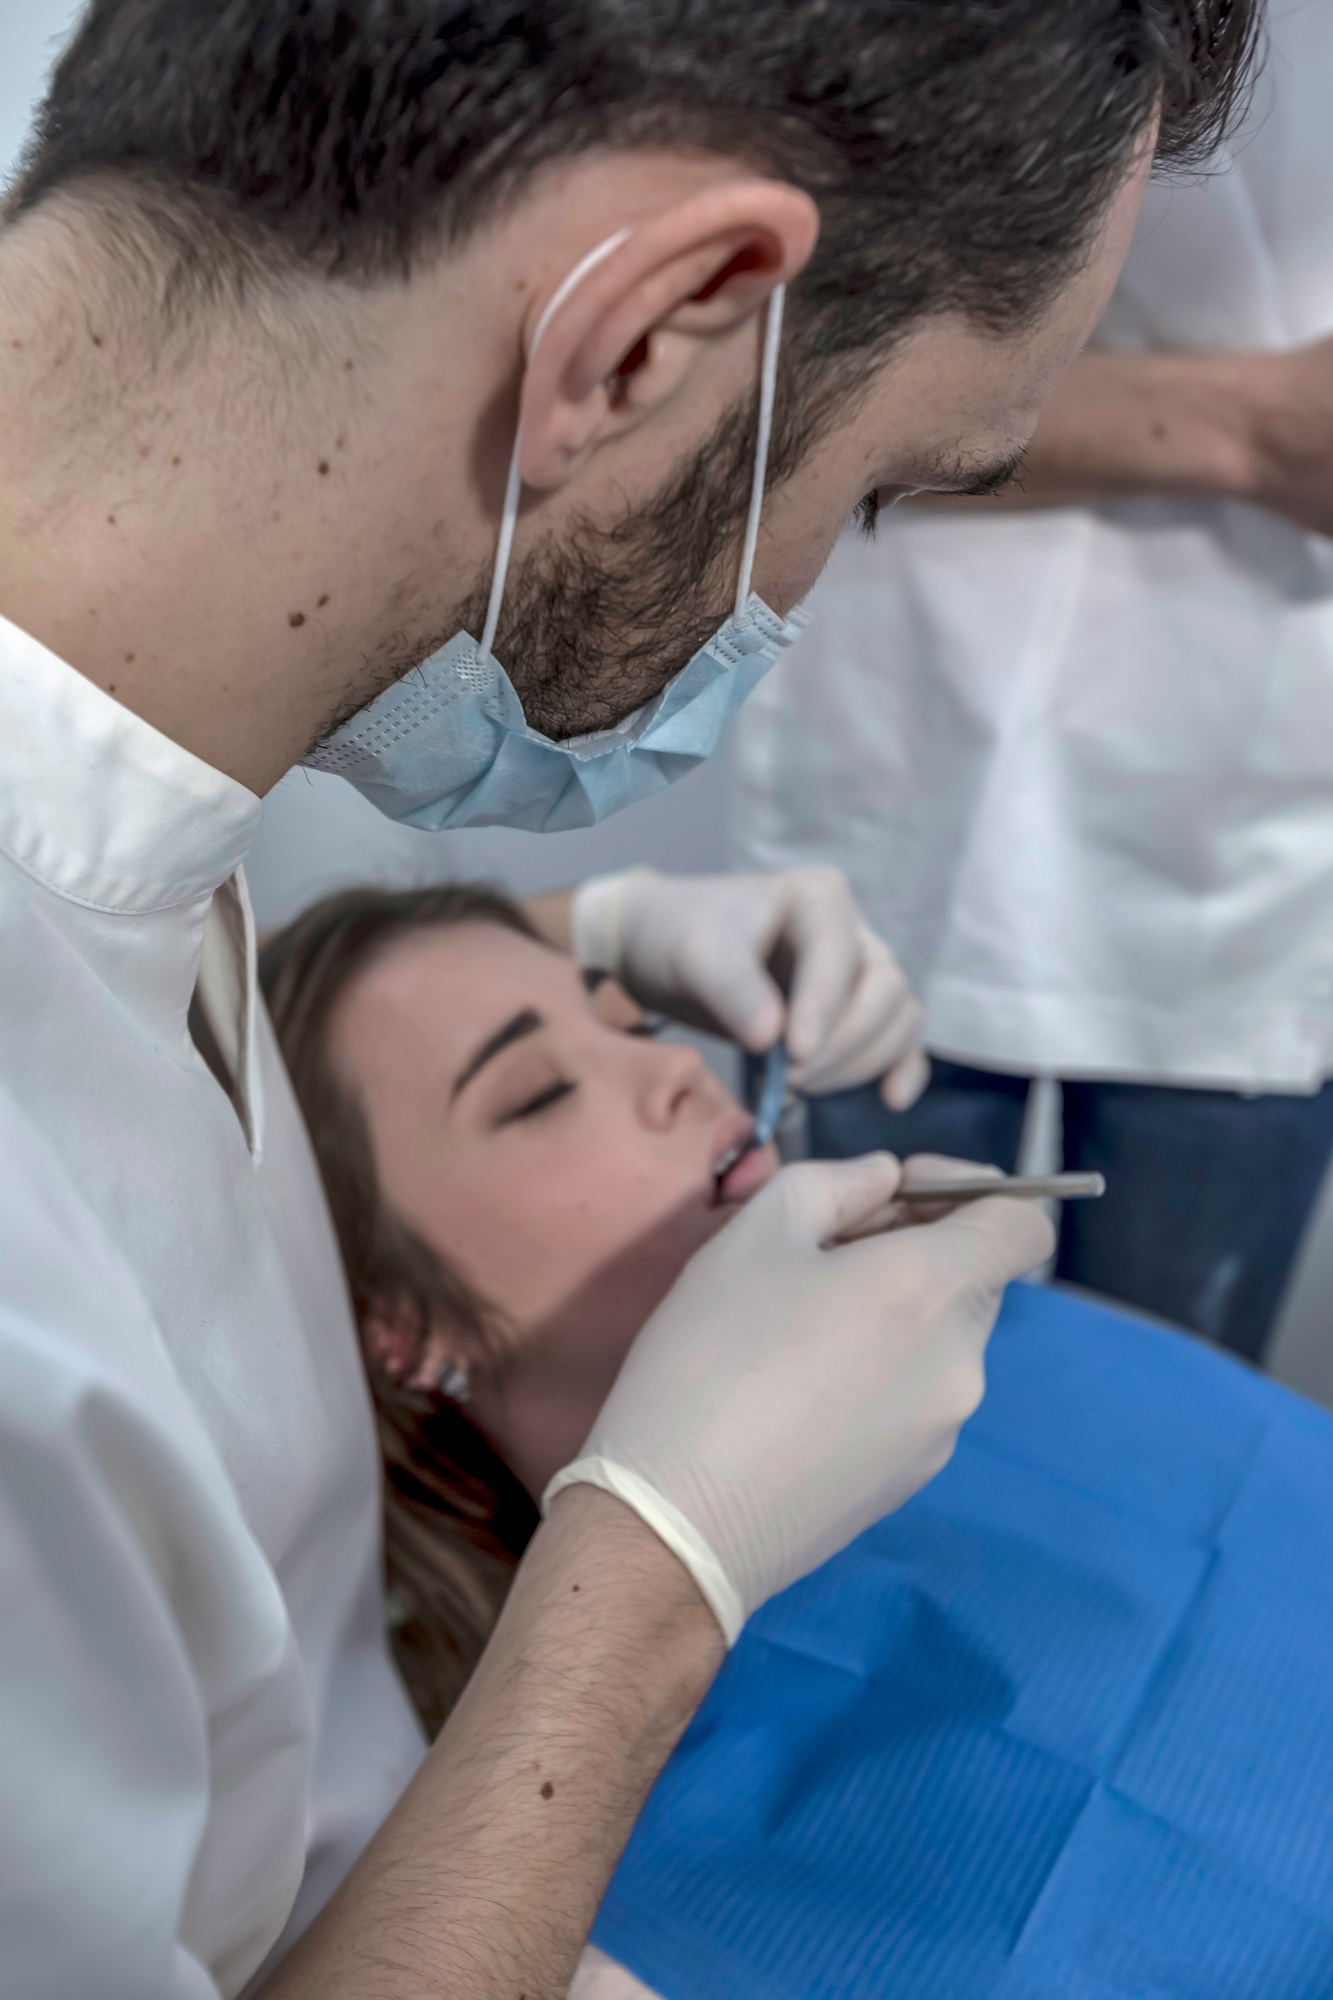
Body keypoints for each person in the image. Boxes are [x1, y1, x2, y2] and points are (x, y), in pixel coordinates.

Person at [0, 5, 1255, 1997]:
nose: (805, 583)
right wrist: (649, 1571)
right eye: (883, 490)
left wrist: (581, 944)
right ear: (649, 338)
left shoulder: (138, 688)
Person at [733, 0, 1332, 1366]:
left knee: (1154, 1447)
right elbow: (792, 370)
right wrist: (1252, 430)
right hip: (909, 794)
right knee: (846, 1421)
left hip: (1258, 853)